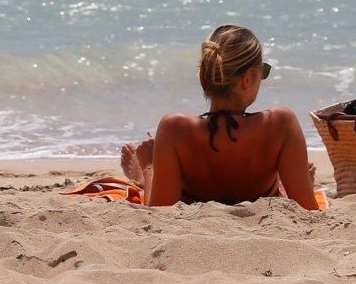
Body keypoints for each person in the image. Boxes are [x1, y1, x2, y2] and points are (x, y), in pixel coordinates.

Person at [138, 24, 322, 209]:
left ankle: (138, 178)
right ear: (247, 79)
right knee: (286, 181)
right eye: (263, 71)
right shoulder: (281, 125)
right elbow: (309, 211)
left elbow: (159, 212)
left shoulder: (174, 129)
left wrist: (147, 167)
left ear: (203, 74)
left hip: (195, 209)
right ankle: (279, 184)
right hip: (261, 201)